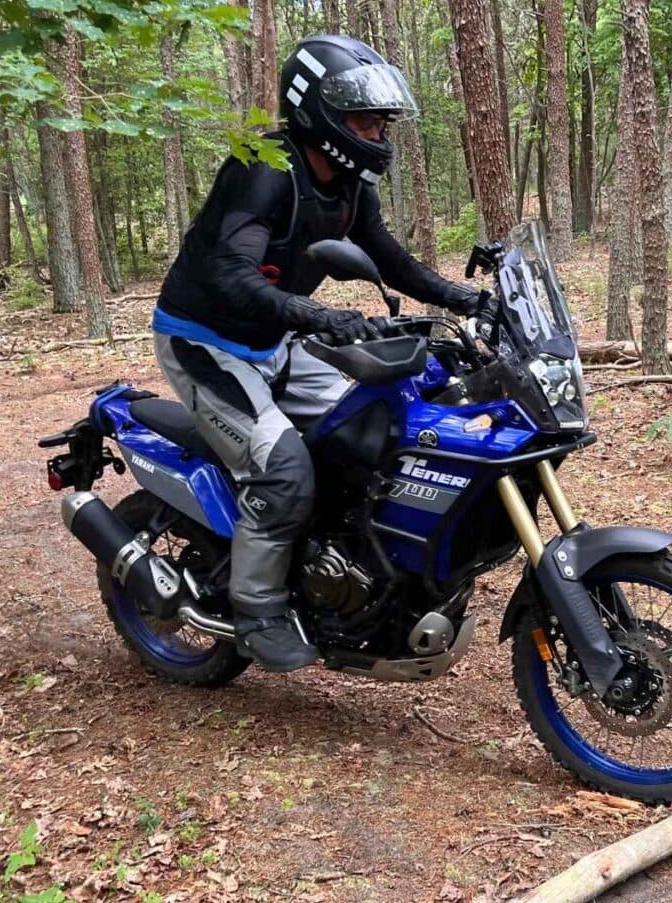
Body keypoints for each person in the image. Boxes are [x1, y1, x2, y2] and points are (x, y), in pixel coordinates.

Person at [150, 35, 485, 672]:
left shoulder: (352, 186)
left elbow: (393, 261)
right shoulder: (264, 171)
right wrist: (317, 314)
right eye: (364, 120)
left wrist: (468, 300)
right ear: (319, 114)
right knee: (281, 468)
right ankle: (257, 608)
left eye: (381, 122)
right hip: (205, 342)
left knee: (368, 428)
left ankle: (341, 564)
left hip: (275, 339)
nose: (376, 134)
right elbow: (229, 274)